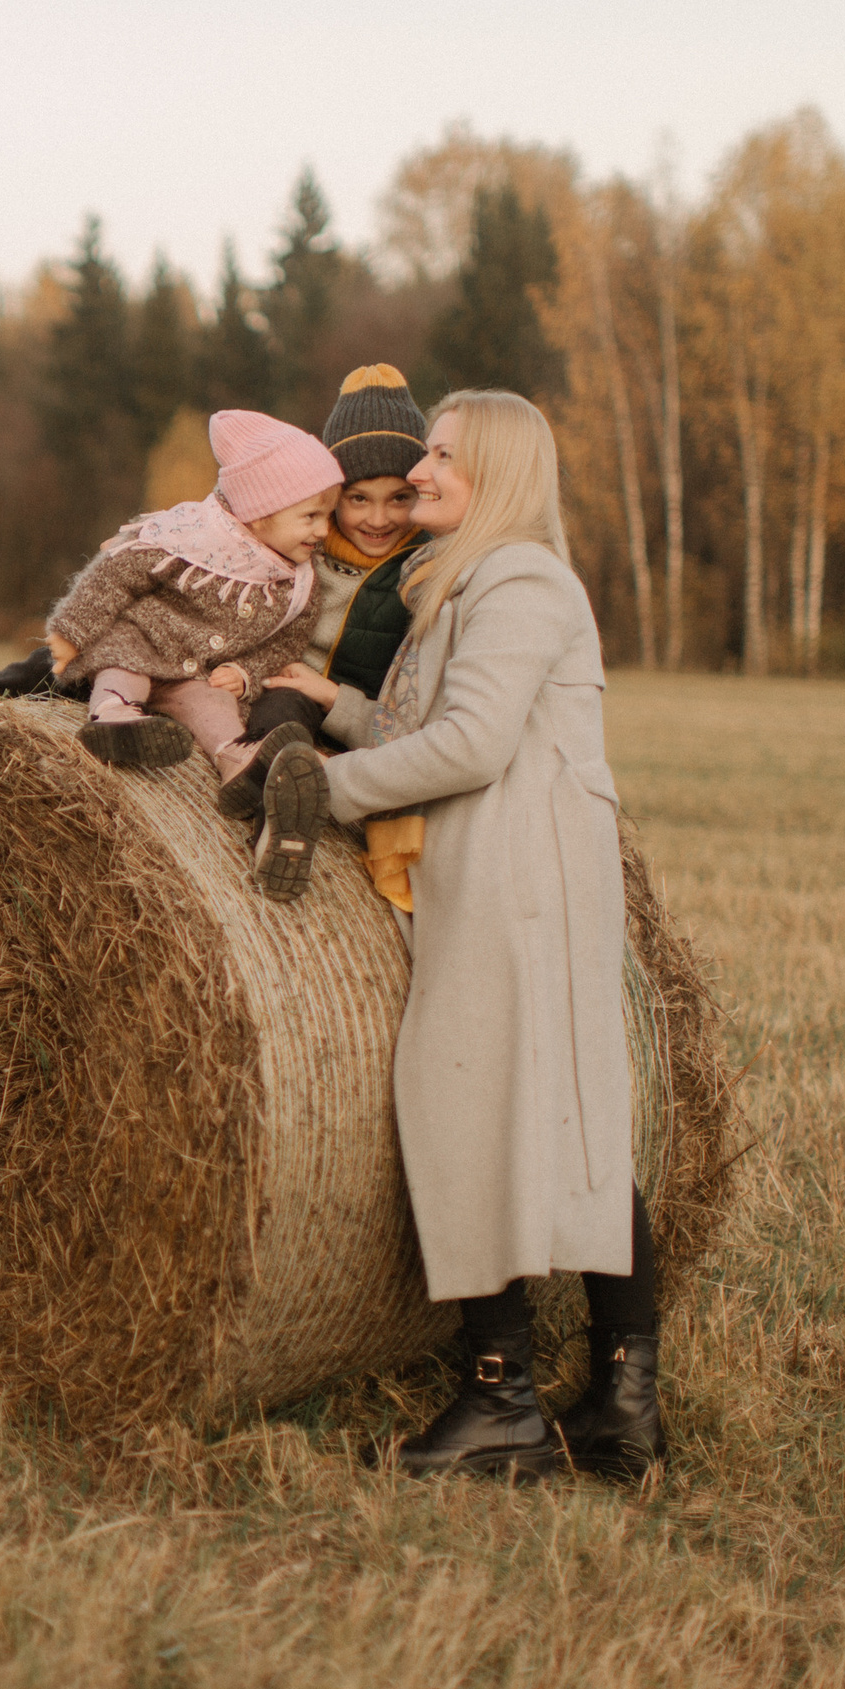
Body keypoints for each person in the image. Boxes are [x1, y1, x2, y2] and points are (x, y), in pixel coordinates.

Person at [312, 389, 663, 1480]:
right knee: (541, 1111)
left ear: (499, 469)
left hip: (524, 880)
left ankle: (505, 1403)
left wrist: (319, 792)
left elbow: (467, 745)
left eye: (441, 455)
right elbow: (424, 732)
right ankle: (617, 1409)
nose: (417, 470)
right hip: (497, 869)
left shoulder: (517, 580)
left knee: (475, 1100)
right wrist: (321, 704)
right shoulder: (462, 578)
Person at [38, 409, 343, 898]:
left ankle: (237, 761)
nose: (323, 530)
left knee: (214, 704)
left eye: (327, 516)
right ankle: (114, 717)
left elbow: (287, 641)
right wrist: (71, 631)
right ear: (261, 511)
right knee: (123, 663)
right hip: (143, 642)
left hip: (193, 676)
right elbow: (111, 578)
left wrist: (246, 672)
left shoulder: (298, 582)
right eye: (310, 516)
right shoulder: (185, 540)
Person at [215, 366, 432, 821]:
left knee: (282, 719)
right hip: (243, 673)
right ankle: (33, 691)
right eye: (358, 499)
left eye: (399, 498)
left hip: (319, 711)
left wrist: (331, 695)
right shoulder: (296, 540)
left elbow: (417, 717)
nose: (378, 519)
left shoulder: (423, 577)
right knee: (131, 652)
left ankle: (282, 822)